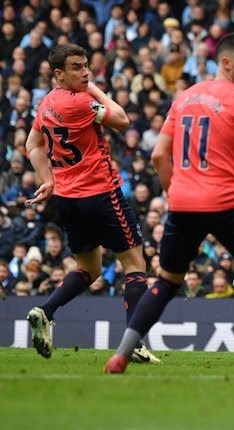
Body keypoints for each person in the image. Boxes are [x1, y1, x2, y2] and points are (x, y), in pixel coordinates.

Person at [104, 33, 234, 378]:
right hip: (223, 199)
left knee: (166, 282)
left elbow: (159, 155)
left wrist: (176, 190)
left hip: (183, 201)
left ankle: (121, 356)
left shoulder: (184, 97)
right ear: (227, 63)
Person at [24, 43, 159, 364]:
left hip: (68, 200)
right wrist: (95, 88)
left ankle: (45, 310)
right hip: (101, 194)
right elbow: (123, 120)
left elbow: (33, 144)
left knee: (90, 268)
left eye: (86, 66)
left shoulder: (46, 104)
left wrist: (49, 180)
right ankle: (134, 344)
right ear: (58, 73)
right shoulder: (82, 103)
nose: (85, 72)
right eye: (76, 68)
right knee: (135, 266)